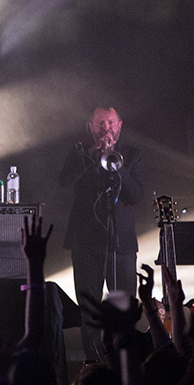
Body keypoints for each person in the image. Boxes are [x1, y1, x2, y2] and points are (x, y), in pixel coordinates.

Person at [58, 105, 144, 361]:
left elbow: (136, 195)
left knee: (125, 307)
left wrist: (118, 166)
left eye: (110, 123)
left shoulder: (131, 155)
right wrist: (90, 155)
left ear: (119, 126)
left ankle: (125, 361)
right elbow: (64, 181)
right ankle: (93, 362)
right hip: (85, 243)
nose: (105, 128)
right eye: (100, 124)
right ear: (91, 127)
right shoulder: (79, 153)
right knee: (89, 309)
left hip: (121, 244)